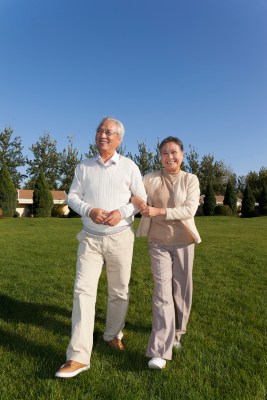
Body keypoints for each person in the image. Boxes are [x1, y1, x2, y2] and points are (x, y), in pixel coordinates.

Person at [55, 117, 147, 378]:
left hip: (120, 238)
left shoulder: (130, 166)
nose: (102, 135)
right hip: (90, 239)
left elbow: (142, 199)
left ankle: (111, 334)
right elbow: (72, 197)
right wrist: (89, 210)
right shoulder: (84, 166)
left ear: (119, 139)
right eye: (99, 130)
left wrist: (121, 212)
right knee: (83, 291)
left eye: (109, 132)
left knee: (119, 292)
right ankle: (78, 356)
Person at [131, 136, 201, 370]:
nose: (169, 157)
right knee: (162, 293)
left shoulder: (190, 179)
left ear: (182, 155)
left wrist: (157, 210)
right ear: (160, 157)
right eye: (164, 153)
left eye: (174, 152)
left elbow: (189, 209)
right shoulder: (150, 178)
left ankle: (178, 333)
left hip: (184, 242)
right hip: (158, 242)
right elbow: (135, 193)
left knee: (181, 291)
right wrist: (136, 201)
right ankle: (160, 350)